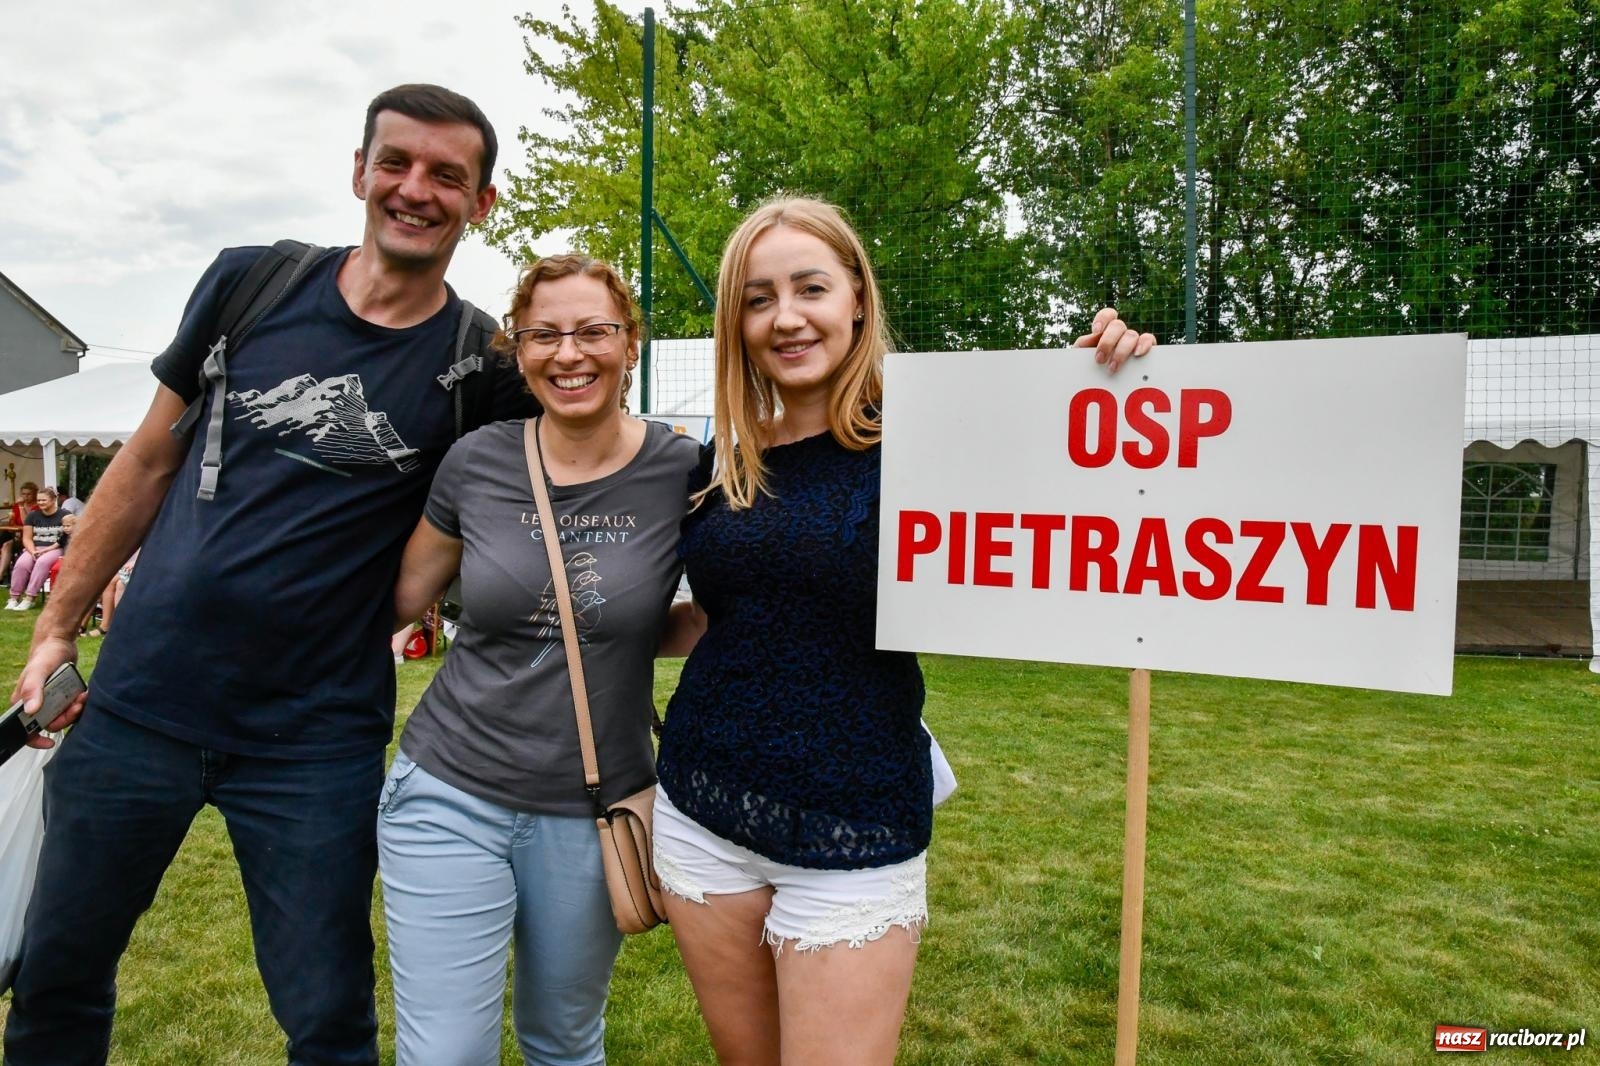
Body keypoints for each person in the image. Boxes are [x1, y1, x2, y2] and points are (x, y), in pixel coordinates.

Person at [3, 83, 537, 1066]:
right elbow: (145, 463)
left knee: (328, 1020)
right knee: (56, 978)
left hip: (314, 740)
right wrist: (54, 628)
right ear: (359, 172)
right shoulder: (251, 284)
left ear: (481, 201)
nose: (415, 189)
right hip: (138, 706)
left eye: (446, 174)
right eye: (396, 162)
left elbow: (570, 461)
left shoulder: (481, 366)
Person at [651, 196, 1154, 1065]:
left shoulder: (930, 446)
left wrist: (1106, 379)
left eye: (810, 287)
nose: (786, 317)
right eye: (759, 298)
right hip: (702, 808)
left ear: (856, 297)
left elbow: (1078, 504)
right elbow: (728, 615)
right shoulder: (718, 461)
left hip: (858, 822)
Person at [379, 254, 701, 1065]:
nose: (569, 353)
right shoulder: (477, 460)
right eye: (544, 335)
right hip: (450, 788)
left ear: (631, 343)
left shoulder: (682, 469)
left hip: (597, 807)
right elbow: (399, 597)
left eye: (594, 331)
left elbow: (723, 608)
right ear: (517, 352)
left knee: (563, 1042)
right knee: (445, 1055)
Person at [5, 486, 68, 611]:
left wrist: (46, 550)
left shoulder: (64, 514)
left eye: (44, 500)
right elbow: (27, 538)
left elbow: (67, 537)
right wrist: (33, 551)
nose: (40, 503)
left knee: (42, 562)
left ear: (53, 500)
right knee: (21, 564)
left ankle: (30, 598)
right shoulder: (32, 516)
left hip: (56, 548)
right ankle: (14, 597)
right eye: (39, 500)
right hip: (35, 547)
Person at [0, 481, 40, 586]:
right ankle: (1, 576)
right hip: (18, 536)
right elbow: (12, 524)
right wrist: (11, 520)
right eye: (23, 494)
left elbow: (27, 523)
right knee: (6, 544)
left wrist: (21, 507)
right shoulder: (16, 506)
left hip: (33, 539)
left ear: (35, 494)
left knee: (7, 544)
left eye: (29, 494)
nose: (25, 497)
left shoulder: (38, 507)